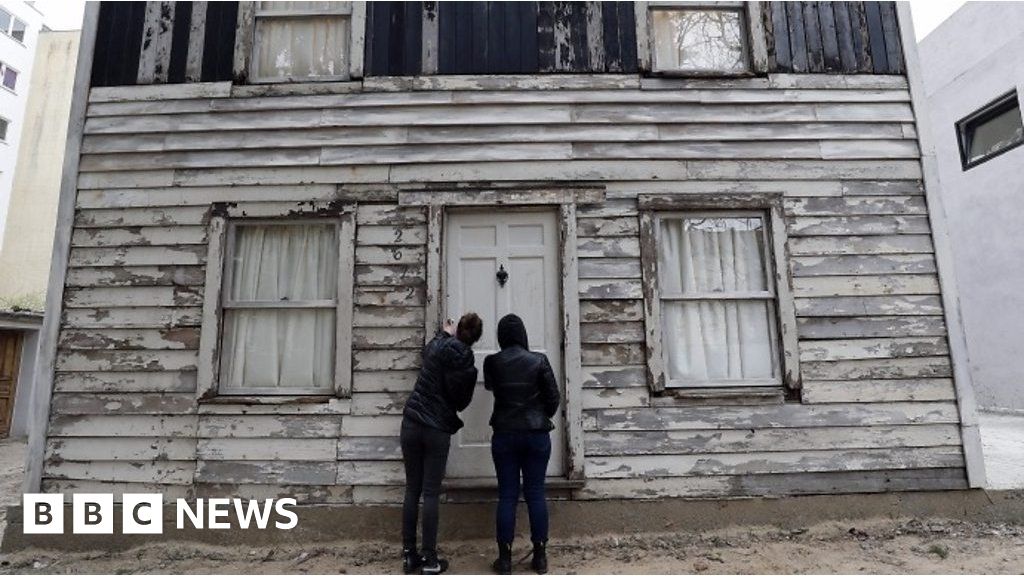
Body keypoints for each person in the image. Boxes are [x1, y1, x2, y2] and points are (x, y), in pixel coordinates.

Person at [401, 313, 483, 575]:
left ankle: (409, 556)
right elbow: (461, 403)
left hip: (412, 422)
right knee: (431, 493)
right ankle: (430, 560)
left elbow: (426, 354)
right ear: (476, 339)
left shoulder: (436, 346)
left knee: (412, 490)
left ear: (457, 328)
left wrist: (443, 334)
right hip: (437, 429)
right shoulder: (468, 366)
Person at [483, 314, 560, 575]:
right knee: (535, 493)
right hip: (536, 435)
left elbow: (492, 387)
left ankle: (504, 561)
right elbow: (553, 398)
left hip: (504, 434)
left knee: (507, 495)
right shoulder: (539, 361)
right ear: (524, 334)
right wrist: (540, 416)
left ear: (501, 336)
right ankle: (539, 558)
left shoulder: (492, 362)